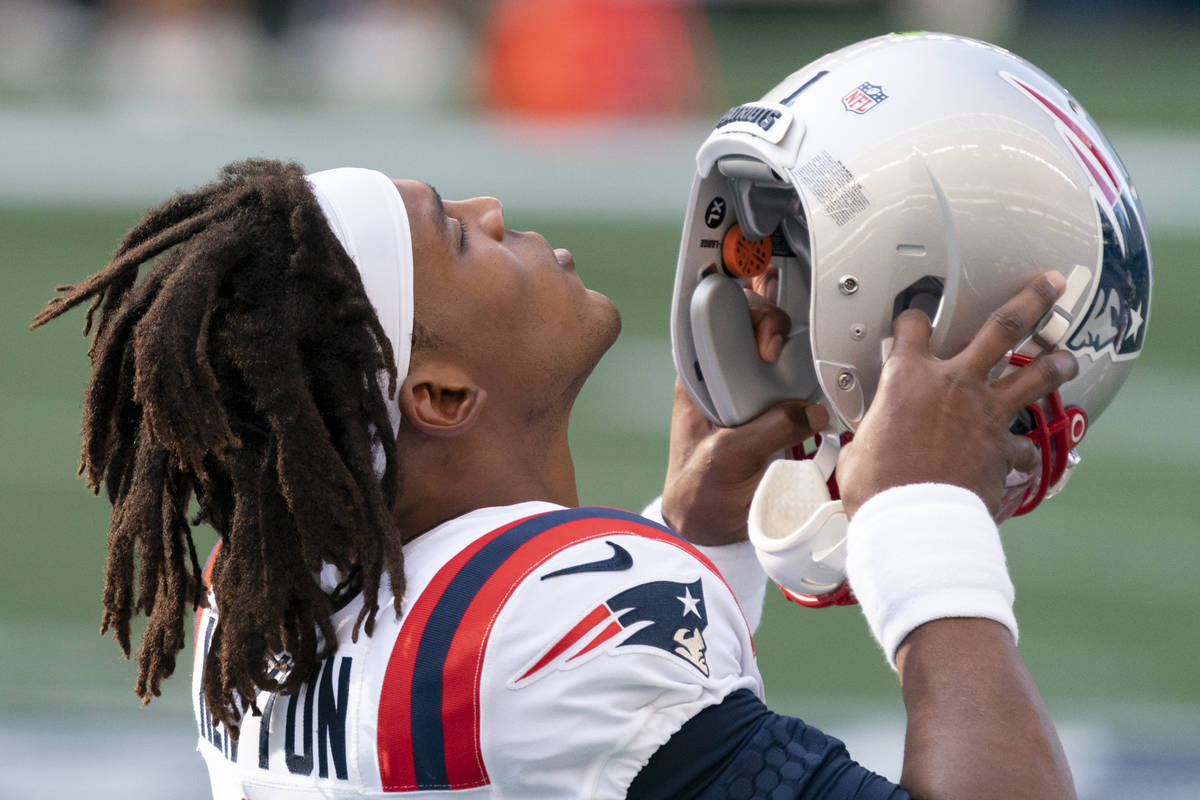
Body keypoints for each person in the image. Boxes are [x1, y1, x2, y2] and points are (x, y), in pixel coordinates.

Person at [33, 158, 1079, 798]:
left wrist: (694, 528)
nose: (491, 210)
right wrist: (922, 514)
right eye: (453, 234)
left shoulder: (255, 604)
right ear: (439, 394)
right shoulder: (553, 628)